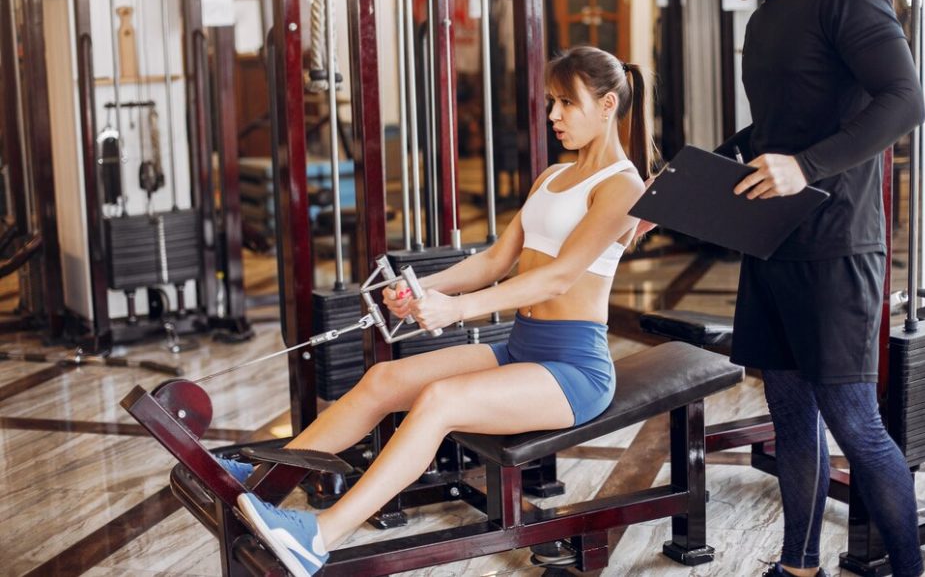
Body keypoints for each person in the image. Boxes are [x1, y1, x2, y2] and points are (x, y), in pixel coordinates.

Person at [222, 45, 652, 577]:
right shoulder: (551, 176)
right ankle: (261, 478)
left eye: (566, 103)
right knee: (384, 379)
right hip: (523, 347)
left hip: (574, 370)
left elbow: (559, 276)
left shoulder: (624, 185)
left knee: (439, 400)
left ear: (608, 105)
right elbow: (496, 259)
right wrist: (419, 288)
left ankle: (319, 536)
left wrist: (457, 311)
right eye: (550, 102)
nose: (553, 116)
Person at [673, 0, 925, 577]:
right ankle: (799, 566)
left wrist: (808, 167)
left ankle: (909, 570)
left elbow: (906, 100)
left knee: (856, 424)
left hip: (837, 249)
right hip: (772, 245)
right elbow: (769, 137)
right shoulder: (763, 19)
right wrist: (673, 187)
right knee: (789, 416)